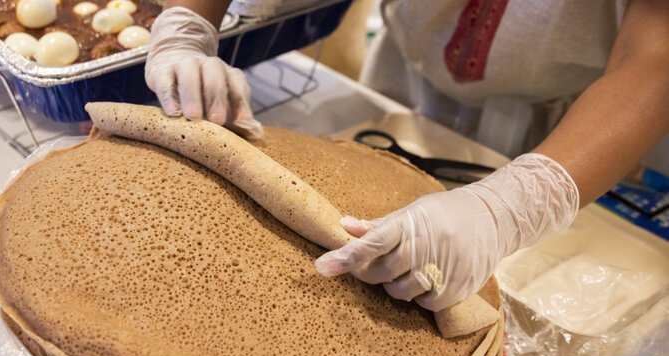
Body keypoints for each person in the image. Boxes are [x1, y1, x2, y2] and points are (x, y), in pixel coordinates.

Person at [145, 0, 669, 311]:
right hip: (401, 81)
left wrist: (510, 207)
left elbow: (655, 56)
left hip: (568, 134)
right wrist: (187, 27)